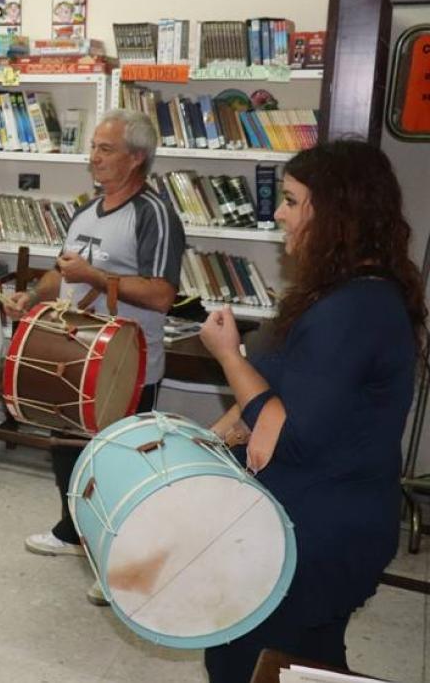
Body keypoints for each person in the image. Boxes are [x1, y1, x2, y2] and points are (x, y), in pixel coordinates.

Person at [198, 141, 424, 683]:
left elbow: (294, 436)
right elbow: (280, 392)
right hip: (317, 514)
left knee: (239, 658)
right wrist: (219, 433)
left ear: (336, 213)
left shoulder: (357, 309)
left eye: (292, 201)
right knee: (307, 658)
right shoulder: (338, 293)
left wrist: (228, 355)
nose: (278, 212)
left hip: (325, 529)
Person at [5, 109, 184, 603]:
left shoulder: (155, 213)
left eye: (106, 149)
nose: (95, 157)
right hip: (75, 352)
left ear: (137, 159)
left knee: (118, 465)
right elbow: (62, 271)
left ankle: (124, 565)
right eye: (94, 148)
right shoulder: (87, 210)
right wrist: (33, 297)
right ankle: (71, 532)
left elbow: (163, 294)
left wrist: (96, 278)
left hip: (129, 362)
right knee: (67, 444)